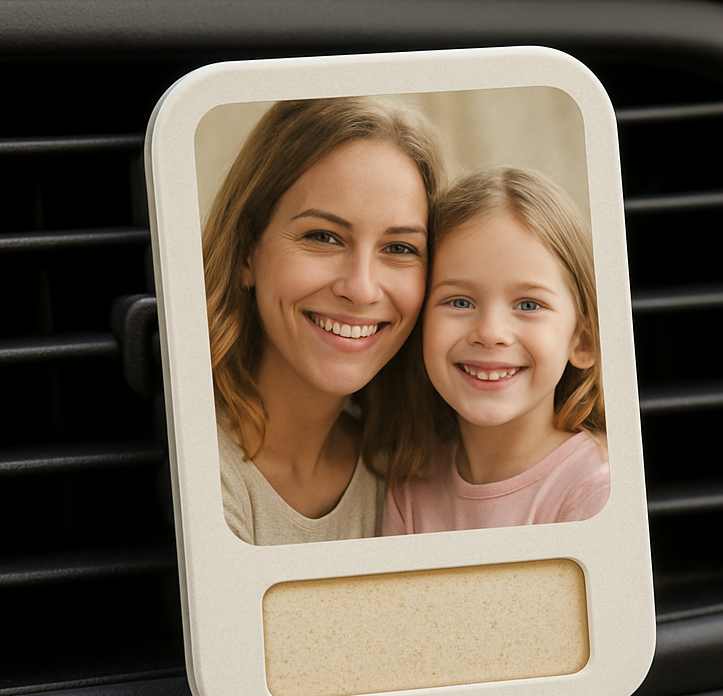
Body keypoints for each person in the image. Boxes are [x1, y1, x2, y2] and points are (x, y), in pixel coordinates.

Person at [203, 97, 444, 545]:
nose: (362, 288)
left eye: (399, 248)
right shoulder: (198, 462)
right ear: (246, 253)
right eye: (322, 237)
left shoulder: (415, 465)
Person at [383, 167, 609, 535]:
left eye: (529, 305)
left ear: (583, 342)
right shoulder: (409, 490)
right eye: (459, 301)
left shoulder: (596, 493)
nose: (490, 333)